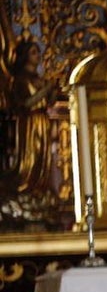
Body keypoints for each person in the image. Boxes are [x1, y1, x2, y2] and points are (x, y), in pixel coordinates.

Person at [8, 41, 55, 193]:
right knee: (31, 155)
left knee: (43, 156)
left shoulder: (39, 78)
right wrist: (44, 90)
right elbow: (26, 103)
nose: (38, 56)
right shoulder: (21, 79)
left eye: (37, 52)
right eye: (34, 52)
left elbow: (48, 102)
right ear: (25, 56)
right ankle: (26, 184)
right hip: (29, 122)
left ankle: (39, 187)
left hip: (43, 119)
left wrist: (52, 90)